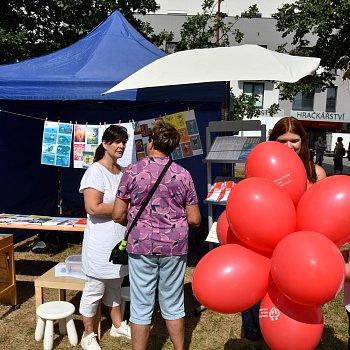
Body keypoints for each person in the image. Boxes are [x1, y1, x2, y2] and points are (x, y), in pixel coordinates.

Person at [112, 120, 201, 350]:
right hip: (174, 246)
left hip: (141, 245)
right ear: (172, 147)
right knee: (173, 301)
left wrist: (136, 223)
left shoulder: (133, 171)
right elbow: (195, 219)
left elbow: (117, 213)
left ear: (151, 143)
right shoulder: (183, 175)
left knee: (141, 304)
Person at [241, 116, 326, 349]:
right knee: (259, 323)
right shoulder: (261, 171)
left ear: (303, 141)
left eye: (294, 140)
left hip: (303, 259)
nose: (289, 146)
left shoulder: (316, 173)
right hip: (264, 256)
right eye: (282, 141)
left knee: (298, 318)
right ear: (272, 141)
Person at [79, 125, 131, 350]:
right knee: (95, 288)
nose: (121, 146)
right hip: (100, 243)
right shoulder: (95, 171)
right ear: (105, 143)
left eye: (124, 142)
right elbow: (92, 207)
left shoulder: (123, 172)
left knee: (115, 283)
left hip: (118, 241)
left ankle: (117, 325)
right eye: (116, 141)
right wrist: (124, 209)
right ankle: (88, 334)